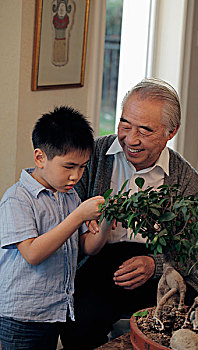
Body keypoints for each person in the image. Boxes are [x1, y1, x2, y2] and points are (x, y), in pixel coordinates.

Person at [60, 78, 198, 349]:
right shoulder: (91, 157)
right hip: (98, 266)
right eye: (125, 124)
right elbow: (63, 219)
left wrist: (156, 265)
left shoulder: (186, 179)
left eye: (145, 130)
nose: (131, 139)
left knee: (177, 335)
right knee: (78, 329)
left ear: (170, 132)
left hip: (161, 275)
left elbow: (197, 251)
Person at [0, 106, 112, 350]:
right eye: (68, 166)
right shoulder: (17, 199)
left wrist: (107, 220)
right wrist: (78, 216)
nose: (76, 176)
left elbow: (88, 247)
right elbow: (32, 253)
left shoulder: (68, 196)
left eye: (82, 167)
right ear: (40, 158)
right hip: (22, 315)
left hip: (55, 311)